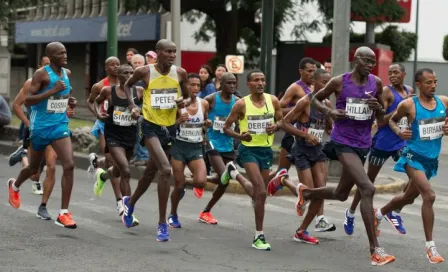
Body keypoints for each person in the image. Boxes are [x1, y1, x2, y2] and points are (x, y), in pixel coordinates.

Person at [298, 46, 395, 265]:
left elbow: (380, 118)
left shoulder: (376, 83)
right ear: (355, 60)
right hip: (342, 142)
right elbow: (314, 99)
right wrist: (329, 112)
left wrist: (377, 106)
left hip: (363, 143)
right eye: (366, 61)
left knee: (342, 193)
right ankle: (375, 251)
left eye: (373, 62)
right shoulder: (339, 82)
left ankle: (308, 194)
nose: (370, 65)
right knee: (367, 188)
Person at [376, 68, 447, 264]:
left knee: (408, 197)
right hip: (411, 157)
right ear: (418, 84)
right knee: (429, 195)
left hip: (430, 160)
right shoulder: (409, 105)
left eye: (435, 82)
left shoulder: (443, 102)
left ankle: (380, 213)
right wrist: (399, 132)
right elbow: (391, 120)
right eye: (428, 83)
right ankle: (430, 248)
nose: (433, 86)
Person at [121, 39, 189, 242]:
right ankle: (161, 225)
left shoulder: (180, 73)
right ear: (158, 53)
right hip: (149, 126)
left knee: (151, 171)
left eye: (174, 52)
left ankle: (130, 204)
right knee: (165, 170)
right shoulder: (145, 72)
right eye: (168, 51)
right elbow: (127, 85)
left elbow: (185, 94)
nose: (172, 55)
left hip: (169, 127)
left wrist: (181, 101)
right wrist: (133, 106)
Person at [7, 42, 77, 229]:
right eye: (61, 53)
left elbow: (65, 95)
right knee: (34, 170)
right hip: (39, 128)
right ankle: (15, 185)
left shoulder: (67, 74)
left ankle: (63, 213)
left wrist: (70, 102)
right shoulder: (41, 75)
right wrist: (51, 91)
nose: (65, 55)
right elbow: (28, 101)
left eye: (65, 52)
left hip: (59, 126)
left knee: (69, 164)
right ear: (51, 56)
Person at [344, 63, 415, 236]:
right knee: (367, 183)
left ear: (404, 74)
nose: (392, 76)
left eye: (396, 72)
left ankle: (395, 211)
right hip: (382, 144)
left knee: (416, 178)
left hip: (401, 143)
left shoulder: (409, 90)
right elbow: (381, 121)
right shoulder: (386, 92)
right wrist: (400, 110)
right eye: (390, 73)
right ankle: (351, 212)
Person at [268, 69, 335, 243]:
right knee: (310, 194)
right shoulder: (305, 102)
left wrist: (336, 131)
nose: (326, 86)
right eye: (323, 82)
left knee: (320, 194)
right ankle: (282, 180)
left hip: (318, 151)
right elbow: (284, 123)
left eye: (329, 83)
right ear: (314, 83)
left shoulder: (327, 103)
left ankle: (301, 231)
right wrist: (305, 135)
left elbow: (329, 127)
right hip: (302, 150)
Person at [223, 70, 282, 251]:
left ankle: (233, 172)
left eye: (263, 80)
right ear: (248, 84)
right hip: (248, 150)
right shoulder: (241, 104)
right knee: (262, 192)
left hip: (266, 150)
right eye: (256, 80)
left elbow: (282, 121)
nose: (260, 83)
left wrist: (276, 126)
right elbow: (226, 128)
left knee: (258, 195)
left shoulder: (273, 101)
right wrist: (240, 137)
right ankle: (259, 236)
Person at [93, 64, 143, 226]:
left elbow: (147, 109)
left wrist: (139, 112)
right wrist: (98, 113)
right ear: (118, 75)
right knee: (125, 170)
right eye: (125, 73)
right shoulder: (109, 91)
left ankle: (103, 176)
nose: (129, 75)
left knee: (118, 169)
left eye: (131, 72)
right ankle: (128, 212)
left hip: (130, 135)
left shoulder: (139, 92)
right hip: (113, 135)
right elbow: (96, 101)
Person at [168, 73, 211, 228]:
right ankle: (173, 214)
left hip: (195, 146)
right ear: (185, 86)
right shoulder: (178, 104)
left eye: (198, 85)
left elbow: (204, 123)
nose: (195, 88)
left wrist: (207, 124)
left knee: (201, 181)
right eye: (191, 85)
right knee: (178, 185)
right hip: (179, 146)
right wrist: (178, 121)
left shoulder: (204, 104)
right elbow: (167, 127)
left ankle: (182, 185)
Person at [198, 72, 240, 224]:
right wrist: (205, 122)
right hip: (212, 141)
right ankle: (206, 210)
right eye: (229, 83)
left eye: (234, 83)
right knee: (224, 176)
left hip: (228, 144)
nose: (232, 86)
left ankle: (199, 182)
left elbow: (242, 118)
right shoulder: (211, 99)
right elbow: (198, 112)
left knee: (224, 180)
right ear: (221, 84)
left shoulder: (237, 101)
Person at [87, 57, 124, 216]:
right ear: (106, 68)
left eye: (117, 64)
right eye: (112, 64)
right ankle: (120, 202)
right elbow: (90, 101)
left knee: (114, 163)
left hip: (123, 126)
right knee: (115, 162)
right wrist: (97, 113)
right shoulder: (100, 85)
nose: (115, 67)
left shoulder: (126, 84)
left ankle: (98, 164)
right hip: (105, 126)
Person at [270, 57, 316, 181]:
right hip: (293, 134)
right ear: (301, 71)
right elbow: (277, 108)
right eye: (309, 71)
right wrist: (298, 109)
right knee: (281, 172)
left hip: (310, 134)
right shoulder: (295, 88)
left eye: (314, 71)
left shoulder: (316, 87)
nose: (312, 74)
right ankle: (259, 189)